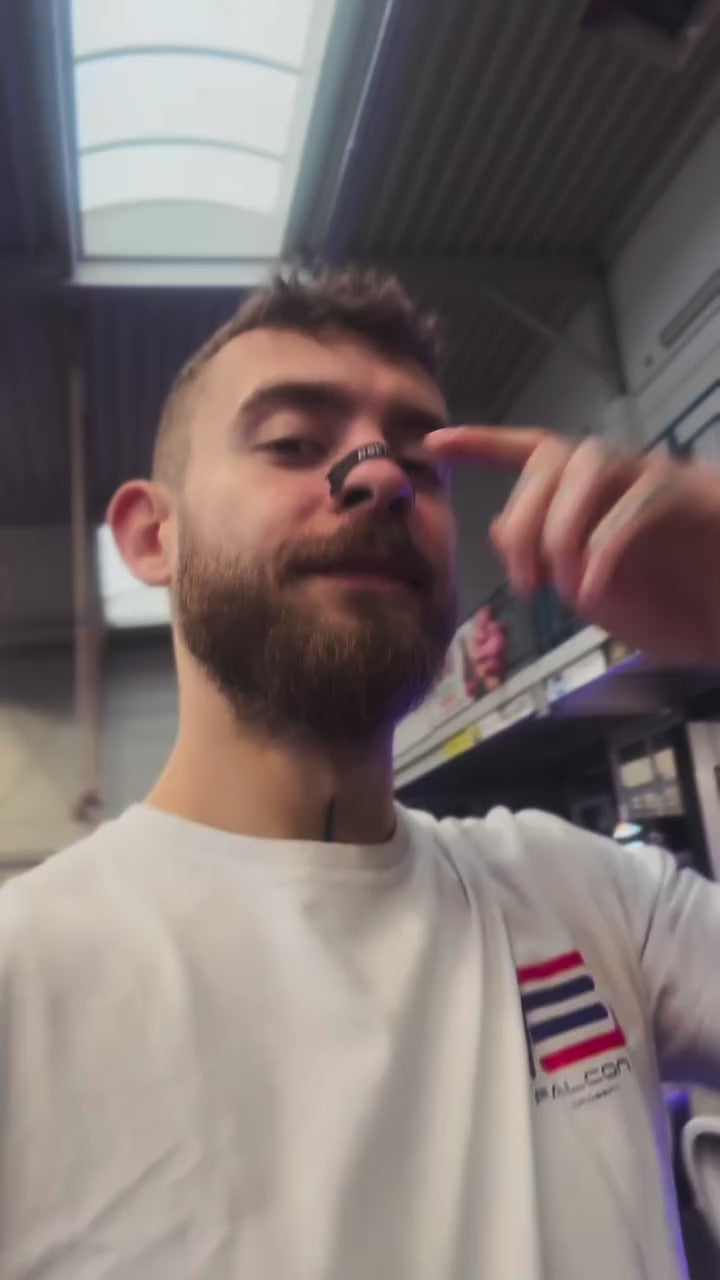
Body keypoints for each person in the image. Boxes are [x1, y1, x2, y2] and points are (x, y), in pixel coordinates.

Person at [1, 267, 720, 1280]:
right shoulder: (26, 976)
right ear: (153, 535)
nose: (381, 478)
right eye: (294, 442)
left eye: (420, 461)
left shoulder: (590, 898)